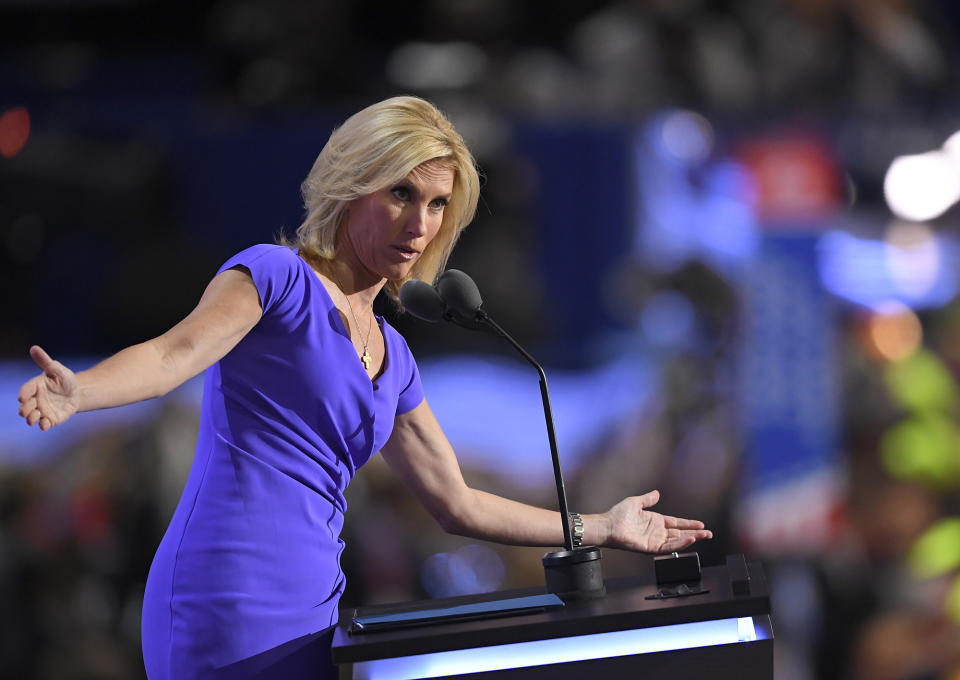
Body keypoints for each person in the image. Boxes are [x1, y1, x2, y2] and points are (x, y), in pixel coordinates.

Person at [17, 95, 712, 679]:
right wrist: (81, 391)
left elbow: (457, 503)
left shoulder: (396, 358)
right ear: (352, 183)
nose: (420, 224)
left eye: (438, 204)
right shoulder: (277, 278)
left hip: (316, 613)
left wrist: (601, 527)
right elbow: (175, 355)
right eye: (401, 193)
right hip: (222, 594)